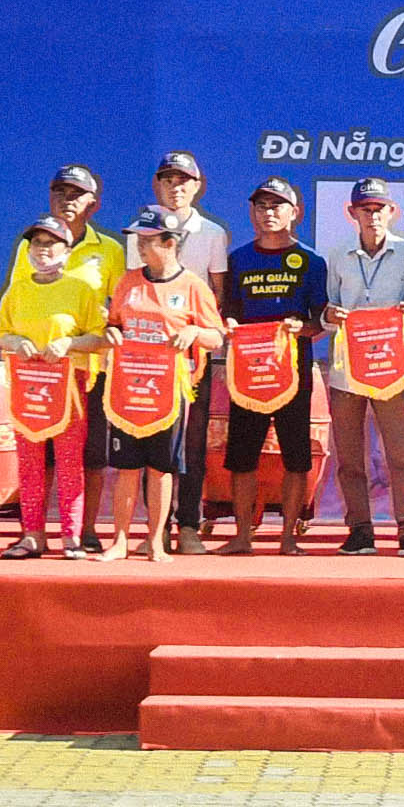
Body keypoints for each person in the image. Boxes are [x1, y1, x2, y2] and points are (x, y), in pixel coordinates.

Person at [7, 165, 125, 550]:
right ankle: (33, 533)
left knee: (86, 456)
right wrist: (18, 341)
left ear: (93, 202)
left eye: (76, 194)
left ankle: (80, 531)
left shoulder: (109, 250)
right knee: (36, 458)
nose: (67, 200)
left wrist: (78, 343)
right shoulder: (26, 257)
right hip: (33, 380)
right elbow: (9, 319)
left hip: (85, 374)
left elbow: (117, 312)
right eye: (60, 191)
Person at [100, 206, 225, 562]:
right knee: (126, 467)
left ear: (171, 243)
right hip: (129, 388)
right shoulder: (129, 281)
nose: (141, 246)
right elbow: (115, 323)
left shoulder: (193, 286)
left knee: (162, 467)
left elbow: (216, 338)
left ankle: (157, 540)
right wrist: (111, 331)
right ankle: (120, 540)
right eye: (139, 240)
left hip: (170, 392)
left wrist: (193, 331)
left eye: (149, 240)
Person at [124, 153, 229, 553]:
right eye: (168, 180)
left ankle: (188, 525)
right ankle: (156, 531)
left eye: (184, 180)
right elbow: (137, 289)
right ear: (157, 185)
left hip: (192, 358)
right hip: (148, 359)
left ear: (198, 185)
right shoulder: (140, 231)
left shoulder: (213, 233)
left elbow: (218, 295)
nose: (176, 187)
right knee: (152, 443)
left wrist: (201, 332)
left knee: (192, 443)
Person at [218, 178, 327, 555]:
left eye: (277, 206)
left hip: (293, 369)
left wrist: (304, 329)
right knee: (242, 456)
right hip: (249, 371)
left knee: (296, 455)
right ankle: (243, 536)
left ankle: (287, 539)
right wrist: (229, 326)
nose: (269, 213)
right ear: (252, 212)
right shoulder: (238, 259)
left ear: (295, 213)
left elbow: (321, 321)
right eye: (262, 206)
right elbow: (228, 312)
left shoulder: (312, 262)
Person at [322, 177, 404, 557]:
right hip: (346, 367)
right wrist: (329, 315)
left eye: (379, 208)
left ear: (391, 212)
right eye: (365, 209)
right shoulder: (336, 255)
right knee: (350, 455)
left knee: (400, 452)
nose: (373, 216)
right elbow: (326, 309)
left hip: (391, 366)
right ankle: (359, 529)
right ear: (352, 213)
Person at [0, 216, 107, 559]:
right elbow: (1, 333)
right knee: (29, 463)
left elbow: (100, 337)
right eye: (37, 244)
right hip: (28, 388)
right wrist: (16, 340)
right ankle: (32, 535)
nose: (43, 251)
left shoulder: (81, 290)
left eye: (51, 244)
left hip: (68, 386)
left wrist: (69, 344)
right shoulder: (17, 290)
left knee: (70, 461)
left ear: (67, 250)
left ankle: (71, 537)